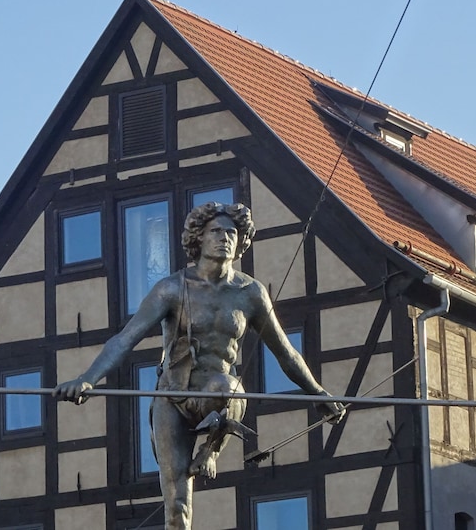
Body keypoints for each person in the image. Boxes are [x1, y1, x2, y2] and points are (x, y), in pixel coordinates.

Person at [54, 202, 344, 530]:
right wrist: (88, 378)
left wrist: (316, 393)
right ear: (199, 239)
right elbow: (125, 339)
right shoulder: (172, 289)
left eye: (232, 233)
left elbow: (285, 352)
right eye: (216, 232)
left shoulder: (250, 293)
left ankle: (209, 451)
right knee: (176, 503)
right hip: (173, 398)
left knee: (227, 386)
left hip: (219, 397)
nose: (225, 239)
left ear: (242, 241)